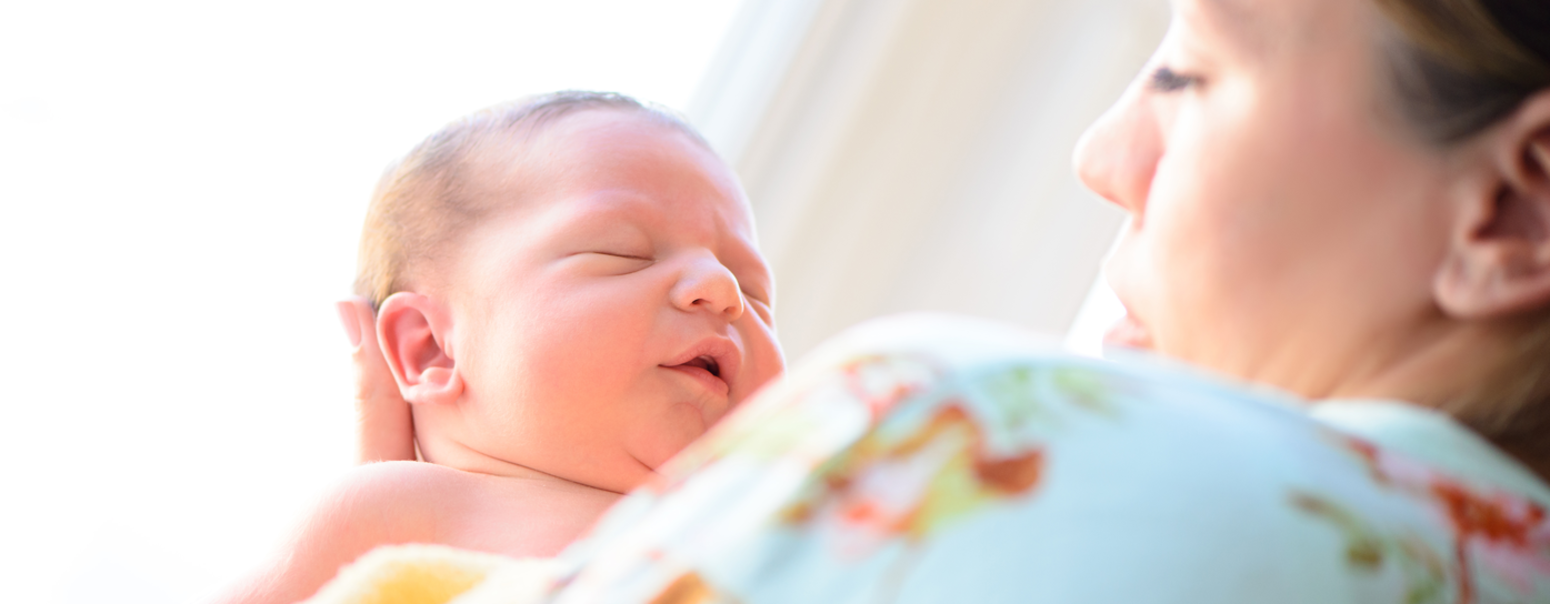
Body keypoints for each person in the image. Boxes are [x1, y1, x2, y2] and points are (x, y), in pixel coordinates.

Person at [325, 0, 1550, 601]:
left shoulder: (970, 434)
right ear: (427, 342)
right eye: (614, 254)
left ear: (1511, 212)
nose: (1101, 155)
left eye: (1191, 74)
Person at [211, 91, 785, 604]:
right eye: (623, 253)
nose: (723, 290)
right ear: (433, 349)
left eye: (755, 293)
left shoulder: (775, 516)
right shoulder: (400, 511)